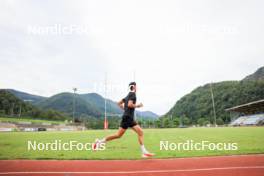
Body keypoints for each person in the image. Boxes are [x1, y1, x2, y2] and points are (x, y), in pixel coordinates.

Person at [93, 82, 154, 158]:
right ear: (134, 87)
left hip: (128, 117)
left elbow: (118, 103)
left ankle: (144, 152)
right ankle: (99, 142)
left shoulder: (127, 96)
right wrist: (138, 105)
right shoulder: (132, 94)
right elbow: (129, 104)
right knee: (122, 135)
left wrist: (125, 110)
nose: (137, 88)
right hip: (128, 118)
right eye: (136, 86)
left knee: (137, 133)